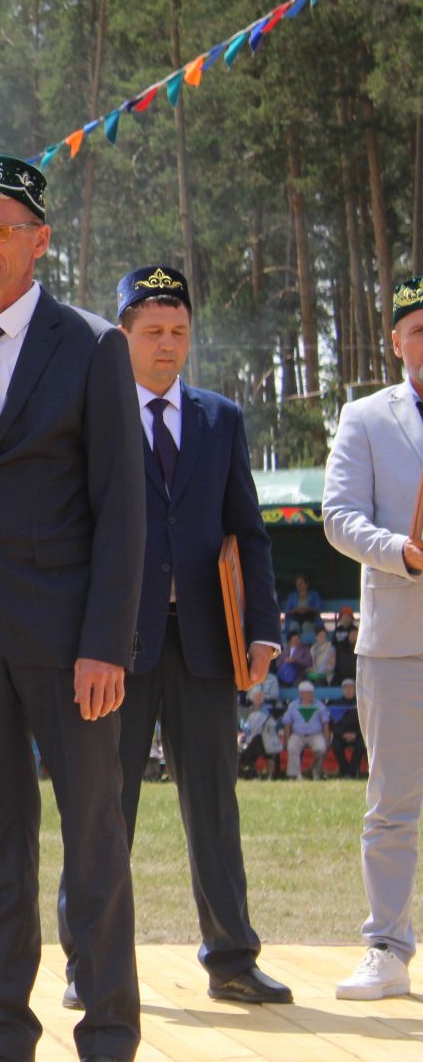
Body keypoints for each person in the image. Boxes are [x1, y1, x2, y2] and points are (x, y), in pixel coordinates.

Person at [0, 154, 144, 1062]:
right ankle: (2, 1033)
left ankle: (110, 1033)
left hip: (69, 645)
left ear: (39, 239)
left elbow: (123, 510)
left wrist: (107, 645)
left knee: (93, 846)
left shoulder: (91, 345)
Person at [53, 266, 289, 1009]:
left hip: (206, 646)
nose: (166, 345)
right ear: (121, 335)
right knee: (101, 810)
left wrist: (263, 630)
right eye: (151, 330)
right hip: (114, 646)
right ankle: (87, 964)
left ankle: (231, 958)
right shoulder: (91, 417)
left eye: (179, 331)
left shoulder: (220, 418)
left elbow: (247, 533)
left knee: (215, 806)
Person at [323, 273, 423, 1001]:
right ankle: (386, 945)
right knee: (392, 802)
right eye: (417, 329)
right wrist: (402, 553)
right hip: (400, 639)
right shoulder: (365, 417)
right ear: (396, 343)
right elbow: (339, 517)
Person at [280, 681, 330, 780]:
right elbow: (287, 724)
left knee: (321, 748)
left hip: (315, 734)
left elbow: (325, 723)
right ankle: (295, 775)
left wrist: (327, 739)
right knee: (292, 747)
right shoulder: (293, 705)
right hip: (297, 734)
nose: (309, 695)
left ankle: (316, 773)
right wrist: (286, 739)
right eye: (307, 693)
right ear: (301, 694)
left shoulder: (319, 705)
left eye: (311, 692)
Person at [238, 688, 283, 779]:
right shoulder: (245, 711)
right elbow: (243, 727)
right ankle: (247, 767)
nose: (259, 698)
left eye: (260, 696)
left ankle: (243, 764)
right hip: (249, 739)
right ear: (251, 697)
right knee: (255, 741)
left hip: (268, 739)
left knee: (258, 740)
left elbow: (274, 726)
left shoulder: (269, 710)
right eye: (256, 696)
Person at [332, 680, 365, 778]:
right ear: (343, 690)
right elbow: (332, 724)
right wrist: (343, 734)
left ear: (355, 690)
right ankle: (344, 770)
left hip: (357, 734)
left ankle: (351, 772)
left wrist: (356, 734)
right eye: (346, 688)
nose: (349, 690)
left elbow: (365, 722)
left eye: (351, 688)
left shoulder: (361, 704)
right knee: (336, 746)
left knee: (360, 746)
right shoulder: (336, 704)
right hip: (342, 734)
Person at [281, 576, 324, 641]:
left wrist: (307, 609)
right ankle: (294, 647)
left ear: (306, 584)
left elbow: (319, 607)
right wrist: (297, 610)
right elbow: (288, 611)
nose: (299, 585)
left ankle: (308, 646)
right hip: (296, 619)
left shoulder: (314, 595)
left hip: (310, 619)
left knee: (306, 626)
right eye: (297, 584)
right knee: (294, 626)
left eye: (301, 583)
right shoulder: (292, 596)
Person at [333, 608, 360, 683]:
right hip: (339, 666)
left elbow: (354, 646)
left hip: (352, 665)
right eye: (343, 617)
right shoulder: (338, 630)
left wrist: (347, 642)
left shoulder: (355, 629)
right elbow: (334, 645)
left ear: (351, 619)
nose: (345, 619)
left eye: (348, 617)